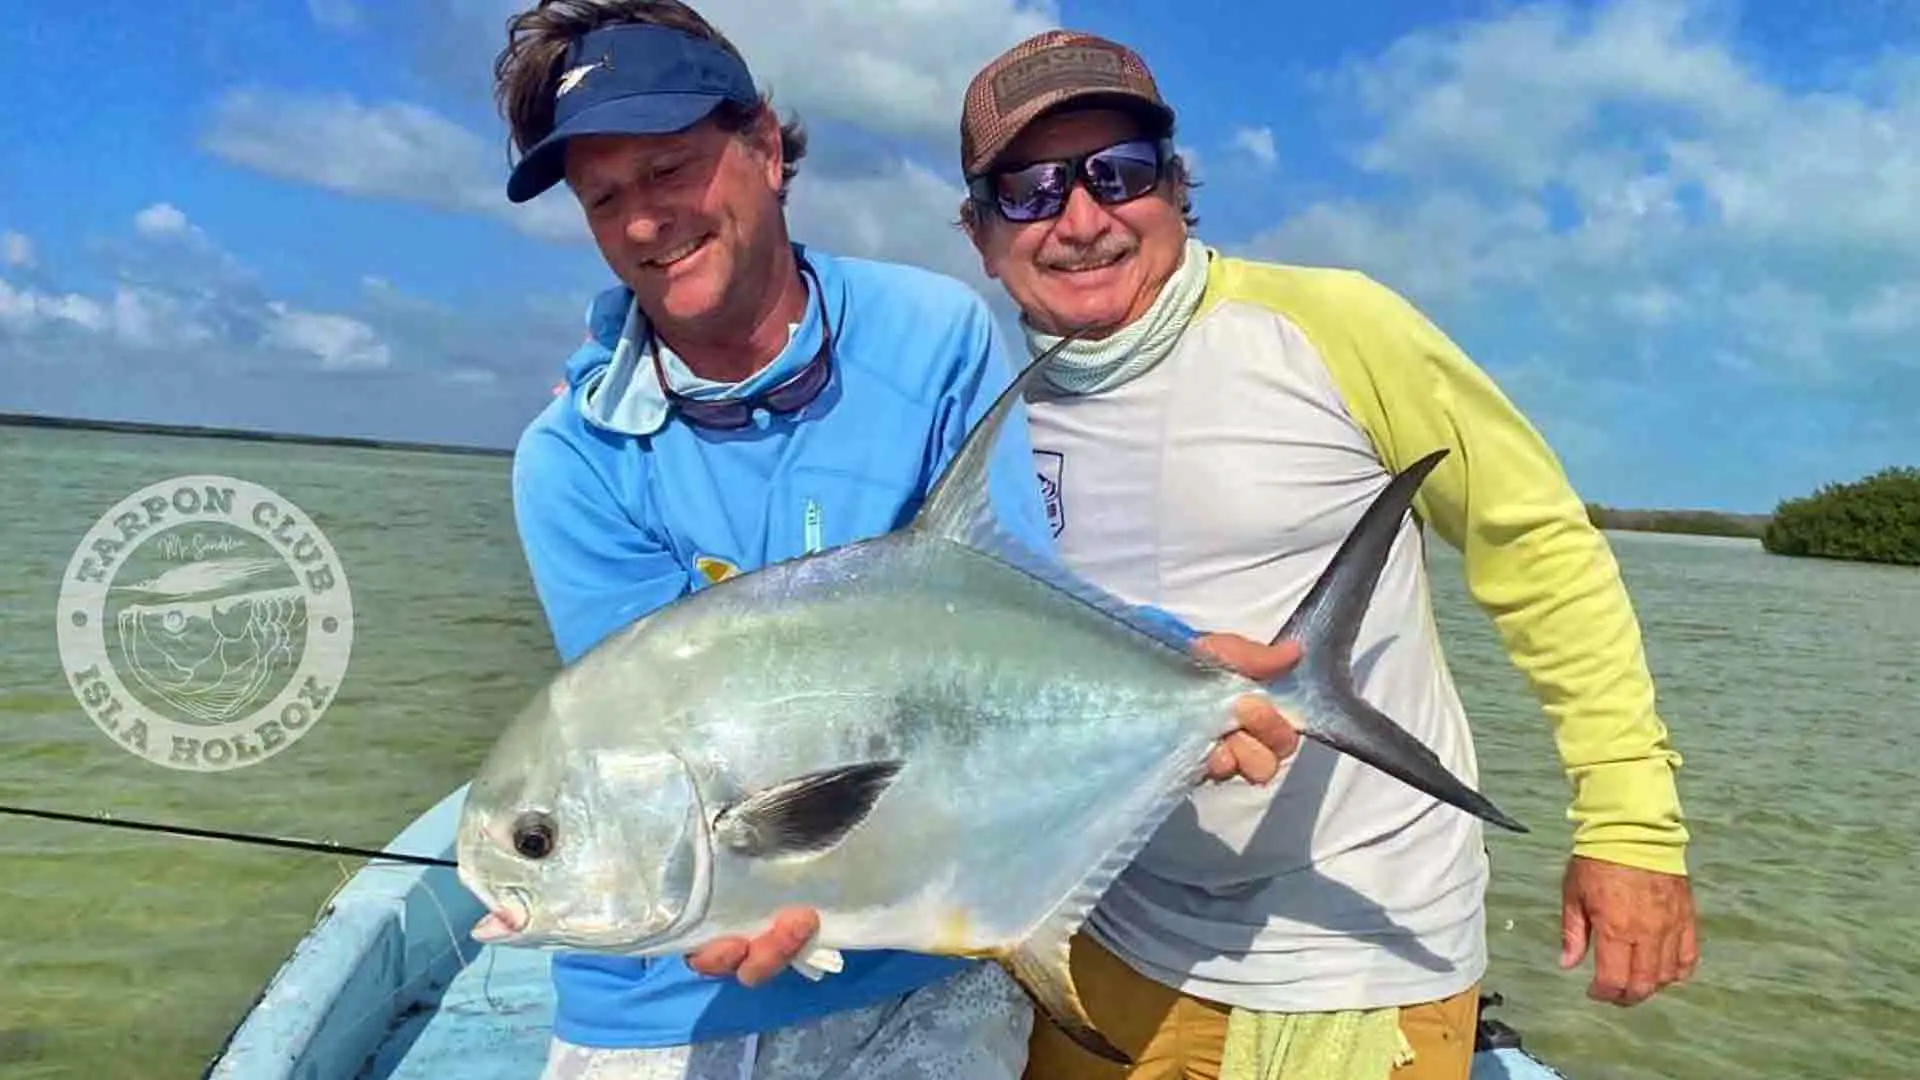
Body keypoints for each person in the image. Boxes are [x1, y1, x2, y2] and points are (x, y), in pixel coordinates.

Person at [492, 4, 1305, 1078]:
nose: (645, 221)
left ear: (768, 148)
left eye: (670, 169)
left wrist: (1183, 672)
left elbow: (1002, 601)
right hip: (667, 993)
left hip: (933, 943)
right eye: (605, 197)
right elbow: (648, 733)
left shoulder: (930, 337)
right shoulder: (573, 459)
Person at [948, 28, 1701, 1080]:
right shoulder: (987, 423)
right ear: (981, 234)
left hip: (1351, 962)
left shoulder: (1332, 323)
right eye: (1029, 190)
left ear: (1175, 185)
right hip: (1101, 951)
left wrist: (1631, 823)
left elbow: (1540, 553)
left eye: (1116, 173)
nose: (1080, 219)